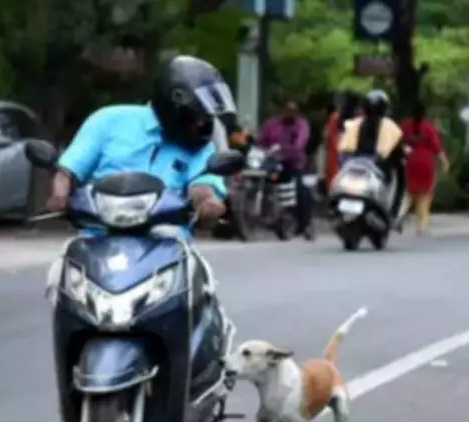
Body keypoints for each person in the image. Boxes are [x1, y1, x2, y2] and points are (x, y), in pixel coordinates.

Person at [44, 55, 235, 304]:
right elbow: (68, 170)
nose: (202, 123)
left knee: (202, 291)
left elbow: (202, 188)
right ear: (171, 104)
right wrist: (60, 195)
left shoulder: (201, 148)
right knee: (59, 283)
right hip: (95, 238)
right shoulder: (108, 121)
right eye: (195, 114)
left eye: (206, 117)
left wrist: (208, 204)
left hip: (167, 246)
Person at [337, 89, 406, 227]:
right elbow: (397, 152)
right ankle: (393, 212)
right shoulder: (390, 127)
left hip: (355, 167)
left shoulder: (354, 124)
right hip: (373, 169)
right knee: (401, 177)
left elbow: (344, 150)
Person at [257, 99, 314, 240]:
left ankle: (305, 223)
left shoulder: (301, 125)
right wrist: (263, 149)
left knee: (301, 190)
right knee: (260, 180)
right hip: (273, 163)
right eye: (287, 110)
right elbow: (261, 140)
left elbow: (300, 143)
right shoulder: (271, 124)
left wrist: (287, 150)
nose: (289, 113)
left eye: (293, 111)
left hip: (292, 164)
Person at [399, 102, 450, 235]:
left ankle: (399, 217)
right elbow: (437, 148)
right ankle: (421, 226)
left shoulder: (405, 126)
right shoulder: (428, 127)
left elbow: (399, 141)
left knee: (409, 193)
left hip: (410, 162)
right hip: (426, 163)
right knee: (425, 195)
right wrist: (445, 163)